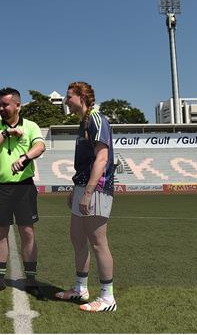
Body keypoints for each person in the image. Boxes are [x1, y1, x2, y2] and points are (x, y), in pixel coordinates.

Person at [55, 81, 117, 312]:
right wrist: (76, 189)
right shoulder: (83, 122)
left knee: (98, 243)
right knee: (77, 239)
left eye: (69, 96)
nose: (66, 100)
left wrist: (88, 191)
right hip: (83, 185)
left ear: (82, 96)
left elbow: (101, 158)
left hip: (98, 188)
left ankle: (107, 297)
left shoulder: (97, 119)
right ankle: (80, 289)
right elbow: (85, 162)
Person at [0, 87, 46, 298]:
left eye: (5, 104)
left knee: (27, 232)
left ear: (18, 105)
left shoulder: (31, 126)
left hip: (25, 187)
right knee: (0, 233)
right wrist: (6, 132)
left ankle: (31, 279)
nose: (2, 108)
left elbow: (40, 146)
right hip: (0, 187)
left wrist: (25, 158)